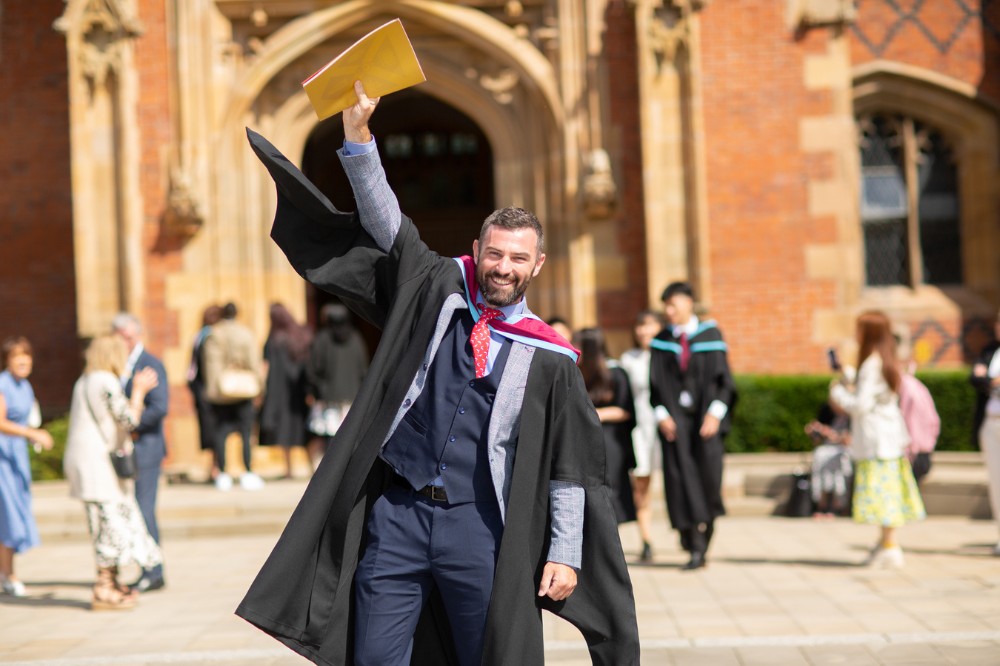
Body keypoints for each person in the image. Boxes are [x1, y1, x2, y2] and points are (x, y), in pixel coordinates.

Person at [236, 82, 638, 665]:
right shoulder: (438, 289)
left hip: (479, 528)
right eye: (495, 253)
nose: (503, 268)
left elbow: (570, 469)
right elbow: (387, 224)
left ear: (538, 265)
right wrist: (358, 138)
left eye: (518, 259)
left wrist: (565, 553)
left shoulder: (551, 358)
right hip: (398, 516)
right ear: (479, 247)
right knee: (375, 657)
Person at [64, 334, 163, 609]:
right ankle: (103, 588)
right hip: (97, 465)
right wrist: (140, 391)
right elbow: (129, 419)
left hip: (88, 462)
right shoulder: (104, 381)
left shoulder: (84, 380)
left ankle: (112, 582)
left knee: (106, 522)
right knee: (107, 524)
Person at [649, 281, 736, 570]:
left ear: (689, 302)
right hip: (676, 425)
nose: (669, 311)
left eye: (673, 304)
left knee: (708, 479)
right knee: (679, 481)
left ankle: (705, 534)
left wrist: (715, 413)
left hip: (705, 424)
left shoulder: (711, 336)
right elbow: (655, 386)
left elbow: (725, 383)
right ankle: (692, 542)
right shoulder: (662, 341)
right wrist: (662, 415)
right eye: (666, 306)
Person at [829, 311, 925, 568]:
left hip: (877, 440)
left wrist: (837, 392)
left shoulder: (871, 363)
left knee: (884, 495)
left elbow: (860, 404)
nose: (856, 335)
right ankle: (885, 543)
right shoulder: (883, 358)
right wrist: (850, 375)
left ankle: (890, 546)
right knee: (888, 492)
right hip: (887, 438)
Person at [111, 312, 169, 593]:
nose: (125, 342)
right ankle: (144, 566)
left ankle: (154, 571)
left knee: (145, 511)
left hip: (145, 448)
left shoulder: (150, 364)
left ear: (138, 336)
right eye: (120, 337)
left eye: (129, 337)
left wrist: (130, 423)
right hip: (124, 450)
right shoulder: (116, 365)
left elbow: (160, 408)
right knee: (132, 511)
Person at [0, 337, 54, 596]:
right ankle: (9, 575)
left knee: (16, 511)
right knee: (7, 516)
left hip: (17, 455)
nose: (23, 361)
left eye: (26, 356)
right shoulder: (3, 384)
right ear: (8, 361)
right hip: (3, 457)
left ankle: (6, 573)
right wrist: (31, 434)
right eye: (16, 356)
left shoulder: (25, 386)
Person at [575, 328, 636, 525]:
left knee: (611, 492)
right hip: (583, 440)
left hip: (610, 440)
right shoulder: (577, 373)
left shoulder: (616, 372)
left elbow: (626, 409)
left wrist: (594, 415)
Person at [202, 302, 265, 491]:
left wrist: (213, 393)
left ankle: (222, 473)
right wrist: (260, 387)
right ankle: (247, 471)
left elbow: (211, 366)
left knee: (221, 433)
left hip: (222, 392)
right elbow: (254, 362)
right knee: (246, 433)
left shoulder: (214, 334)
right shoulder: (245, 333)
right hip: (244, 390)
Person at [618, 309, 664, 561]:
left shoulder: (667, 356)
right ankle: (646, 538)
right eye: (641, 326)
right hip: (640, 426)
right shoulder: (629, 359)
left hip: (664, 425)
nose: (644, 331)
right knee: (641, 484)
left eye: (650, 326)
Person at [304, 303, 368, 467]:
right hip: (352, 397)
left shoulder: (322, 339)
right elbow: (363, 369)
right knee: (348, 434)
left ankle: (331, 469)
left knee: (330, 436)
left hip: (329, 397)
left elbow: (312, 370)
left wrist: (315, 391)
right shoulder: (356, 338)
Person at [259, 303, 313, 479]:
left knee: (284, 429)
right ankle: (312, 465)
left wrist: (262, 390)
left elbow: (266, 366)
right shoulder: (301, 334)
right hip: (299, 389)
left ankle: (289, 468)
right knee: (304, 428)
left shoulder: (274, 338)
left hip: (279, 390)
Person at [971, 308, 1000, 556]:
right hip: (991, 422)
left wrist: (989, 380)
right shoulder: (990, 351)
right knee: (996, 481)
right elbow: (976, 377)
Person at [188, 304, 223, 481]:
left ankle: (216, 467)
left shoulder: (202, 335)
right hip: (208, 388)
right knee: (212, 428)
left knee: (212, 428)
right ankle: (215, 466)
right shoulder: (209, 336)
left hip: (201, 387)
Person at [803, 401, 852, 518]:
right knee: (820, 456)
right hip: (826, 448)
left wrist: (833, 435)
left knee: (838, 461)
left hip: (844, 450)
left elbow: (850, 441)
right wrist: (815, 432)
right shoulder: (826, 411)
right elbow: (816, 441)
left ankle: (836, 504)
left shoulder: (852, 414)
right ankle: (821, 503)